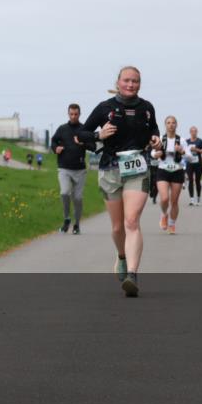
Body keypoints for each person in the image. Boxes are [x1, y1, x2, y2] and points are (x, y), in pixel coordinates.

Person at [76, 66, 161, 298]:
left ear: (140, 84)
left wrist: (156, 139)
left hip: (138, 167)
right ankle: (122, 257)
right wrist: (98, 136)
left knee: (131, 221)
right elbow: (82, 133)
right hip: (110, 168)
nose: (131, 85)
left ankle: (132, 275)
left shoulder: (146, 108)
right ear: (118, 82)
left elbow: (154, 129)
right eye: (127, 80)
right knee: (117, 227)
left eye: (135, 81)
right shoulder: (105, 108)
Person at [51, 104, 93, 234]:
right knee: (64, 192)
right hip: (64, 168)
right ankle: (67, 219)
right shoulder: (62, 129)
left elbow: (92, 145)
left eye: (76, 114)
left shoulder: (84, 129)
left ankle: (77, 224)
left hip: (80, 170)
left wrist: (83, 143)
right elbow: (53, 141)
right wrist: (55, 148)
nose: (73, 116)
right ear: (68, 114)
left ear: (79, 114)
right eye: (71, 114)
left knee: (78, 198)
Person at [152, 116, 185, 234]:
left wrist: (182, 151)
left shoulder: (181, 140)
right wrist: (156, 154)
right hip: (163, 170)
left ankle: (172, 224)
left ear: (176, 125)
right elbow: (152, 153)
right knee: (164, 198)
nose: (171, 125)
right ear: (165, 125)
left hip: (177, 171)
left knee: (174, 201)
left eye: (173, 123)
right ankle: (164, 214)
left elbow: (189, 157)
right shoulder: (160, 138)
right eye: (168, 123)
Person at [184, 126, 202, 205]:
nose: (193, 133)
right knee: (190, 180)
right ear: (190, 132)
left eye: (195, 131)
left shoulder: (200, 141)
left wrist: (196, 150)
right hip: (189, 164)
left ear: (197, 132)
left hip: (198, 164)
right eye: (192, 131)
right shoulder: (186, 141)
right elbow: (183, 151)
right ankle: (191, 199)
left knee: (197, 181)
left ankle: (198, 198)